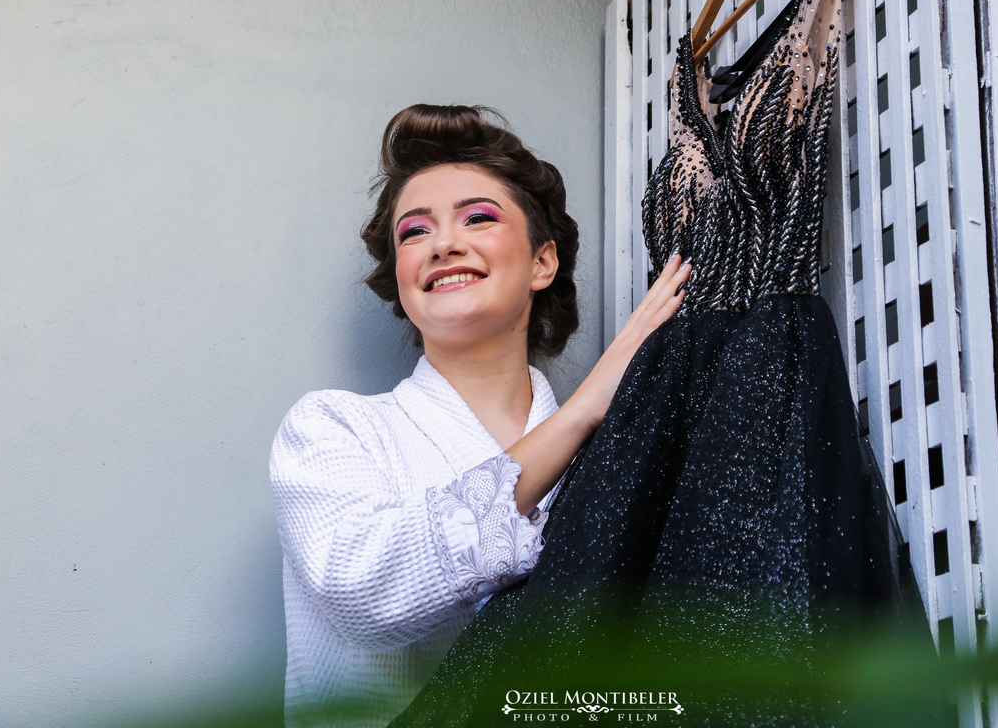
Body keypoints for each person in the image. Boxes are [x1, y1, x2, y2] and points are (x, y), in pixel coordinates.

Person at [268, 104, 692, 727]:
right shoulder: (332, 429)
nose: (443, 244)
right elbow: (362, 592)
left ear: (542, 263)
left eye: (478, 218)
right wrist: (583, 410)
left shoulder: (616, 453)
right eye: (414, 232)